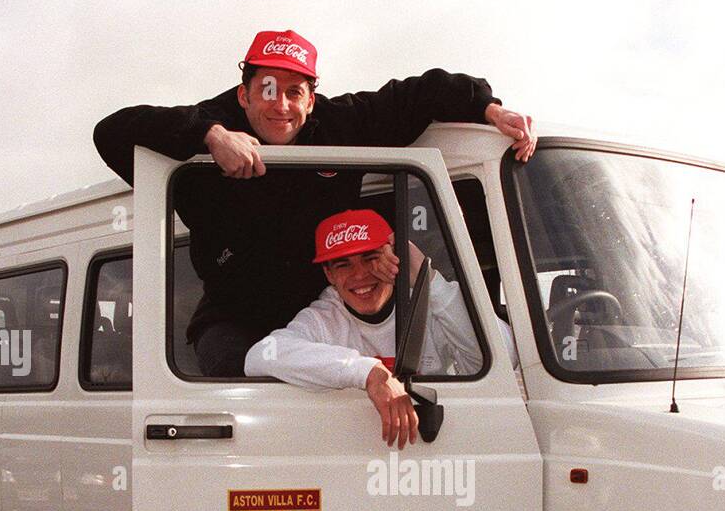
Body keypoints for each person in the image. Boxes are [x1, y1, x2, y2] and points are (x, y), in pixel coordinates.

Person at [93, 28, 536, 376]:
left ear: (312, 98)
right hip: (238, 313)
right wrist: (208, 136)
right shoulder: (209, 127)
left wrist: (490, 110)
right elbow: (111, 131)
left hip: (327, 301)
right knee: (247, 382)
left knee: (358, 385)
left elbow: (419, 93)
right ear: (243, 94)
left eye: (294, 92)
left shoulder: (340, 123)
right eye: (266, 89)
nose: (280, 105)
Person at [245, 209, 507, 448]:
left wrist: (428, 279)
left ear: (394, 260)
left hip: (434, 452)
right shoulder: (324, 316)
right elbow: (259, 356)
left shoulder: (431, 304)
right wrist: (368, 372)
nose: (360, 276)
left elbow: (505, 358)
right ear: (329, 275)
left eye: (371, 258)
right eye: (343, 264)